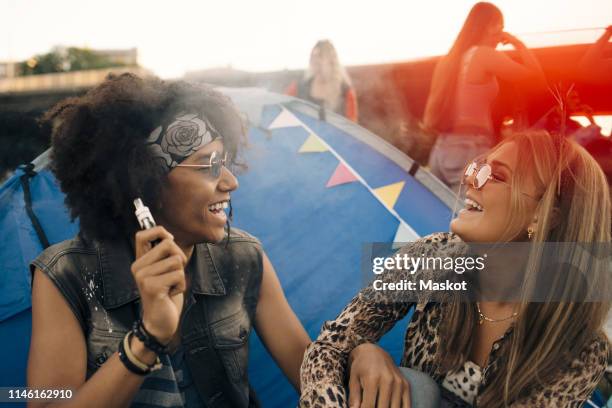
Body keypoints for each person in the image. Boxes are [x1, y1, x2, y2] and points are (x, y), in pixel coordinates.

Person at [26, 73, 314, 407]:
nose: (231, 181)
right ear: (145, 183)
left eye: (227, 162)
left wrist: (360, 355)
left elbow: (314, 374)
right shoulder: (65, 275)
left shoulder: (245, 257)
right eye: (210, 165)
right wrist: (147, 339)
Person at [299, 130, 610, 407]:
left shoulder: (580, 345)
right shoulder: (436, 256)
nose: (471, 179)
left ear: (542, 217)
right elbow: (328, 347)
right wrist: (361, 351)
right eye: (478, 168)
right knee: (417, 388)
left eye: (496, 176)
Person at [424, 2, 544, 192]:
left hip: (441, 148)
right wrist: (517, 43)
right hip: (470, 148)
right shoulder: (484, 54)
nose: (502, 32)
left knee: (436, 215)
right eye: (501, 26)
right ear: (490, 25)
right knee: (466, 215)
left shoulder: (448, 61)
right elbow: (535, 76)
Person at [286, 40, 358, 122]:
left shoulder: (346, 92)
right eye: (313, 57)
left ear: (332, 61)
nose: (315, 61)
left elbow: (352, 127)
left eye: (320, 57)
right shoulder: (297, 88)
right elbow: (284, 114)